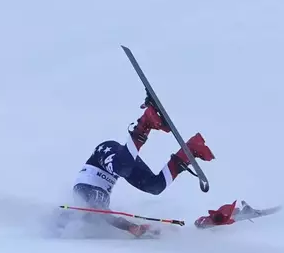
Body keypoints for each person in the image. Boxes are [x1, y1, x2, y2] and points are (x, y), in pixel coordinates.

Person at [71, 94, 215, 237]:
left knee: (122, 168)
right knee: (155, 186)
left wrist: (130, 227)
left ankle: (145, 121)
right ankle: (189, 151)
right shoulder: (100, 212)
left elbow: (102, 214)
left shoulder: (82, 197)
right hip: (120, 167)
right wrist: (143, 228)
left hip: (103, 155)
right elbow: (107, 216)